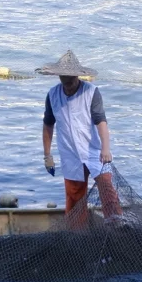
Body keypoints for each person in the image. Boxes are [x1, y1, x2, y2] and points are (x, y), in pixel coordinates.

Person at [38, 49, 122, 229]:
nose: (68, 85)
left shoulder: (91, 92)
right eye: (64, 80)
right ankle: (77, 233)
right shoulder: (53, 95)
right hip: (70, 153)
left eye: (71, 80)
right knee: (74, 195)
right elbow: (48, 125)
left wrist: (105, 149)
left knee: (106, 186)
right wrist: (47, 156)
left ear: (77, 76)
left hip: (94, 150)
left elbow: (101, 121)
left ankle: (116, 224)